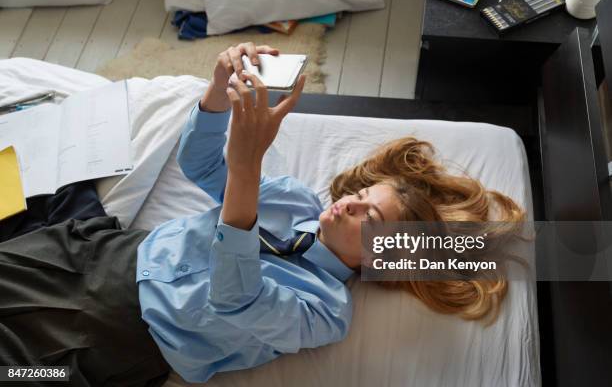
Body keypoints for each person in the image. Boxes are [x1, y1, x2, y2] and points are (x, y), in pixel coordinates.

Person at [0, 43, 524, 386]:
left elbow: (234, 297)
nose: (354, 200)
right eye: (368, 192)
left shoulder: (324, 312)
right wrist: (216, 91)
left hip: (115, 340)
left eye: (372, 217)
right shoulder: (295, 200)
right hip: (98, 251)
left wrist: (246, 168)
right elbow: (201, 163)